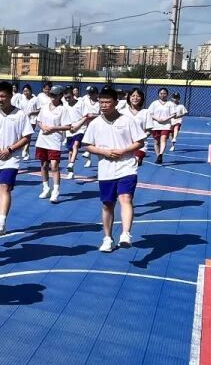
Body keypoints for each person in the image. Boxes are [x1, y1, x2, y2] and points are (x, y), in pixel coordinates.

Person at [82, 86, 147, 252]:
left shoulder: (128, 121)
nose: (103, 105)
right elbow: (88, 145)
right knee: (107, 204)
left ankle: (125, 234)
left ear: (116, 103)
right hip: (106, 170)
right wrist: (104, 152)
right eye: (101, 102)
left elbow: (140, 141)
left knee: (126, 198)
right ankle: (107, 238)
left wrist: (123, 151)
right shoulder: (95, 123)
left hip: (127, 167)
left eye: (107, 102)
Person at [0, 81, 34, 236]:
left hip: (11, 159)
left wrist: (10, 149)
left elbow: (27, 137)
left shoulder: (20, 114)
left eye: (3, 96)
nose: (0, 99)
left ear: (11, 96)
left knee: (4, 187)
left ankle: (2, 222)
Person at [35, 85, 68, 204]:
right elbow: (39, 121)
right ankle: (46, 188)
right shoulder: (44, 107)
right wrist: (42, 127)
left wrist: (53, 128)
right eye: (51, 95)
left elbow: (67, 126)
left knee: (54, 166)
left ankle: (55, 191)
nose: (52, 97)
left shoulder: (63, 109)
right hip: (42, 139)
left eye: (55, 95)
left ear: (60, 96)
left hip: (54, 140)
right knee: (44, 165)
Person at [61, 87, 88, 180]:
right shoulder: (65, 105)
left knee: (75, 145)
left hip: (80, 129)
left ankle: (71, 163)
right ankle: (71, 172)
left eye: (69, 97)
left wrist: (77, 126)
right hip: (70, 130)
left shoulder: (81, 103)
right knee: (70, 151)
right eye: (66, 98)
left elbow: (85, 116)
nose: (67, 99)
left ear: (73, 95)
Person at [148, 87, 177, 164]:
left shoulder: (170, 104)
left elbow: (174, 114)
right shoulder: (154, 103)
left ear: (167, 94)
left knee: (163, 139)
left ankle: (161, 154)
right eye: (161, 93)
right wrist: (157, 119)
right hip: (156, 125)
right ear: (158, 94)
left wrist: (165, 119)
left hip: (166, 125)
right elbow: (150, 113)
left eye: (164, 93)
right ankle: (158, 156)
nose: (163, 95)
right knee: (156, 142)